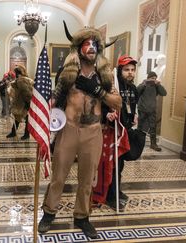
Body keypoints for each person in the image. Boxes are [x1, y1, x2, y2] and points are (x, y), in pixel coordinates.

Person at [38, 23, 122, 239]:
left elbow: (117, 102)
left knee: (87, 179)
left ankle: (82, 217)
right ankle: (49, 212)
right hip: (69, 129)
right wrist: (43, 113)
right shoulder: (68, 74)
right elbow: (55, 98)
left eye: (95, 44)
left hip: (93, 132)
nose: (91, 48)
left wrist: (97, 90)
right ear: (79, 48)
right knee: (59, 176)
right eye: (87, 44)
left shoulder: (104, 77)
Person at [105, 55, 146, 212]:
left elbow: (132, 106)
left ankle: (117, 189)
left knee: (120, 164)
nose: (130, 73)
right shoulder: (114, 86)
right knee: (114, 164)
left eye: (132, 70)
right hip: (113, 130)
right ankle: (111, 195)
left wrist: (133, 115)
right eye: (126, 70)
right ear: (120, 70)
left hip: (126, 130)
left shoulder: (133, 88)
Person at [137, 71, 167, 151]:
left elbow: (164, 93)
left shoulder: (156, 86)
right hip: (142, 109)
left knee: (153, 127)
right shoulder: (143, 84)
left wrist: (158, 84)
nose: (153, 80)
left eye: (154, 78)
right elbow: (136, 92)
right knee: (140, 127)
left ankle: (153, 144)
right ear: (148, 78)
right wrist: (144, 83)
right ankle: (138, 143)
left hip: (152, 110)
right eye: (151, 78)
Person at [6, 65, 33, 140]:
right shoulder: (27, 79)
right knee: (17, 118)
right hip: (23, 102)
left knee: (25, 118)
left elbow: (26, 92)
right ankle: (14, 132)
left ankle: (26, 134)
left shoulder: (21, 80)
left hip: (24, 102)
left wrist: (28, 103)